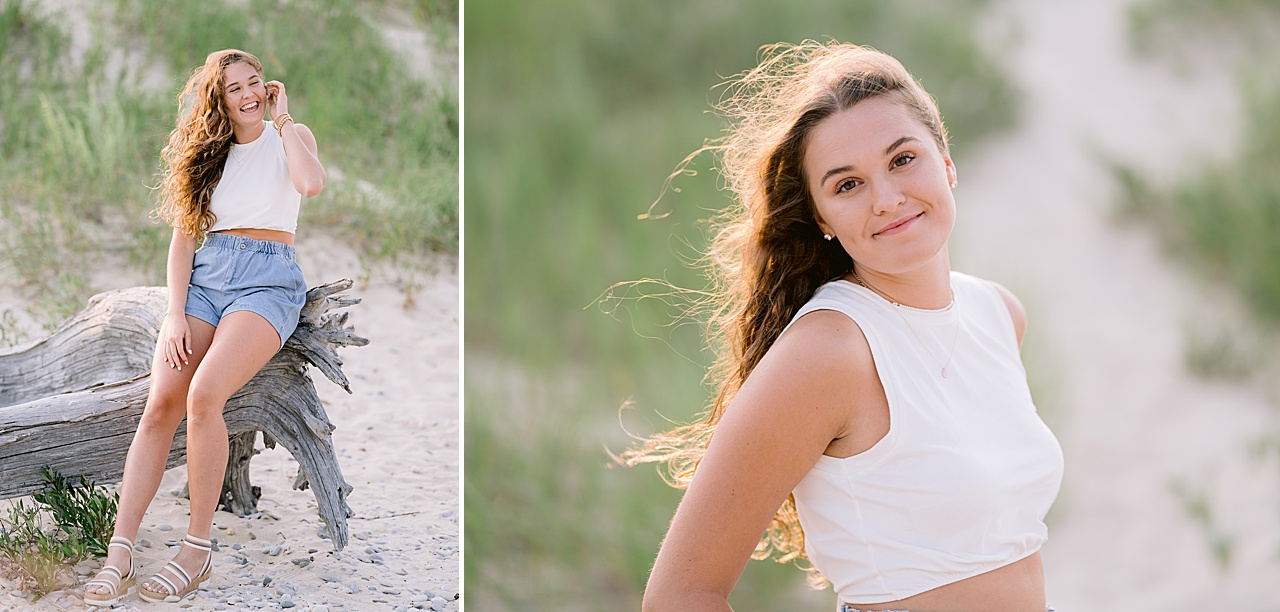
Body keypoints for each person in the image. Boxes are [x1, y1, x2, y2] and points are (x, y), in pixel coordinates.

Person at [627, 41, 1063, 611]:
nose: (886, 199)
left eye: (903, 159)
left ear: (947, 161)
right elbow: (681, 596)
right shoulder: (830, 352)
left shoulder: (998, 313)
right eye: (847, 184)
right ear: (821, 218)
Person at [83, 48, 325, 606]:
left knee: (204, 395)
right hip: (207, 281)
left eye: (256, 82)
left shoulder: (290, 135)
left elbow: (310, 185)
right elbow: (183, 241)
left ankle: (196, 550)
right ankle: (120, 549)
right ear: (219, 100)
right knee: (161, 402)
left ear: (269, 87)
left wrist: (285, 118)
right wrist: (174, 314)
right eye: (235, 87)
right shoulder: (206, 157)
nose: (248, 93)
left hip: (267, 281)